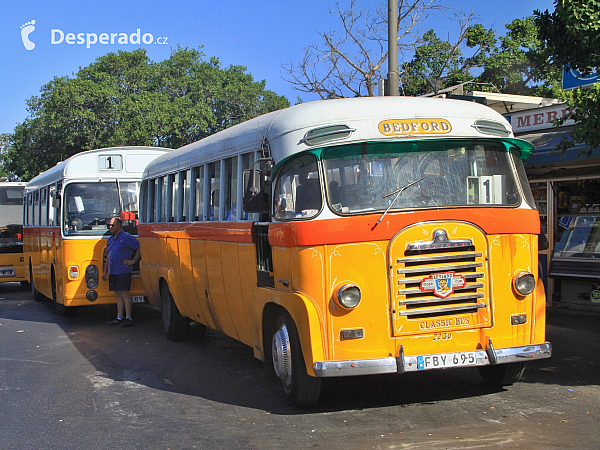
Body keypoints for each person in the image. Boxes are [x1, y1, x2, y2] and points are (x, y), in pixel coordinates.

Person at [102, 216, 141, 327]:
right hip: (113, 271)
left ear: (119, 226)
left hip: (123, 270)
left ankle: (128, 317)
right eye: (109, 225)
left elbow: (138, 247)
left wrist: (133, 260)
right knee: (118, 294)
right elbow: (109, 255)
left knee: (125, 293)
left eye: (112, 225)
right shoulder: (111, 239)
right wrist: (105, 272)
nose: (110, 227)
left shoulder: (127, 237)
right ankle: (119, 317)